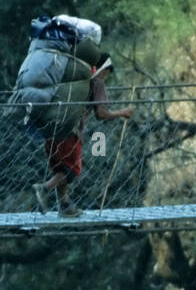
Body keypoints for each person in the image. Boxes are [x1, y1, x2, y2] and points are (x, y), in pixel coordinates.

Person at [31, 56, 133, 217]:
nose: (105, 77)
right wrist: (122, 113)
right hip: (69, 132)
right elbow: (101, 113)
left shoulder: (70, 78)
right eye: (106, 73)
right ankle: (44, 188)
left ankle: (64, 206)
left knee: (61, 168)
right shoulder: (97, 82)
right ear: (102, 69)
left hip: (49, 128)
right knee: (71, 170)